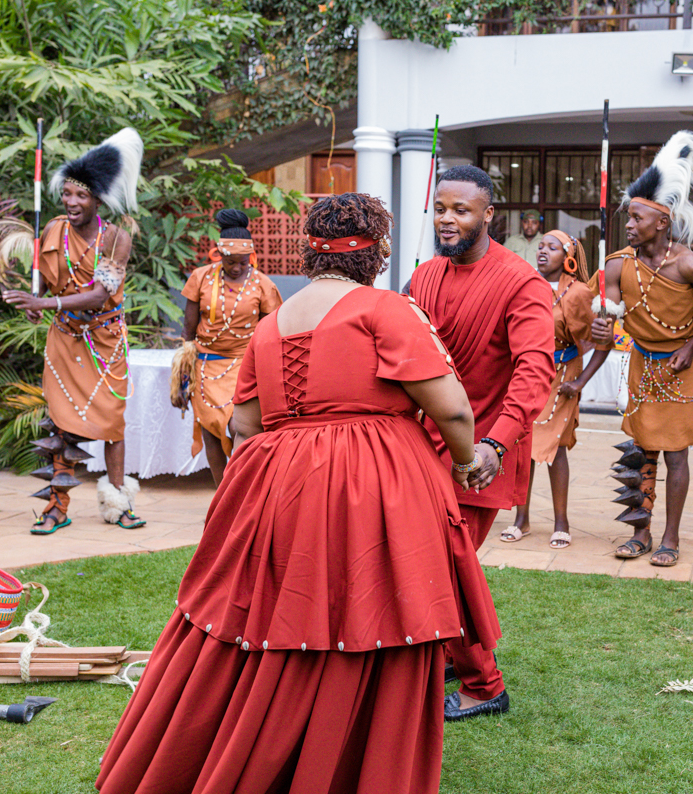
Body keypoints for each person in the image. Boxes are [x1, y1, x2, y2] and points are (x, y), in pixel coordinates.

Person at [95, 192, 499, 794]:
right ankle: (355, 762)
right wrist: (466, 464)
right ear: (376, 253)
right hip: (375, 484)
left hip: (278, 486)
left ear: (311, 252)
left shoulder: (270, 324)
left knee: (272, 615)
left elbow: (246, 425)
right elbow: (454, 410)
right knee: (376, 611)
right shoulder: (385, 309)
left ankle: (261, 751)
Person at [410, 165, 554, 721]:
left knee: (449, 565)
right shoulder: (423, 277)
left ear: (488, 214)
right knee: (430, 558)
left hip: (480, 455)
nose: (448, 219)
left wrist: (493, 445)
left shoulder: (521, 281)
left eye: (461, 210)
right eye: (442, 209)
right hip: (423, 446)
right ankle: (448, 652)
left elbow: (534, 371)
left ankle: (483, 685)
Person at [590, 131, 693, 567]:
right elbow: (606, 319)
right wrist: (599, 329)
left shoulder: (692, 264)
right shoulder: (616, 263)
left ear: (662, 222)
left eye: (636, 218)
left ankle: (671, 538)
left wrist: (690, 348)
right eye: (628, 218)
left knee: (676, 453)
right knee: (640, 447)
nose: (628, 225)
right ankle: (641, 532)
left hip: (681, 367)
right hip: (641, 362)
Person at [2, 128, 145, 534]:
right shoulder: (51, 231)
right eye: (67, 194)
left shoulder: (116, 238)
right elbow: (45, 283)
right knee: (60, 423)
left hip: (105, 343)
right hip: (64, 340)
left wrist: (42, 304)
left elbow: (101, 295)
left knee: (112, 425)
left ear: (97, 199)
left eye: (80, 196)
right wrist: (36, 302)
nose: (71, 202)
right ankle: (56, 507)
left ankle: (119, 503)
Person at [505, 229, 610, 548]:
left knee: (555, 448)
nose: (542, 251)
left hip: (562, 376)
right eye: (541, 246)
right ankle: (521, 520)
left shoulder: (578, 293)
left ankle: (561, 523)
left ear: (567, 257)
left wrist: (578, 383)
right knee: (523, 444)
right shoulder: (525, 286)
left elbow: (602, 342)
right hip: (527, 374)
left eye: (552, 247)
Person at [178, 208, 282, 485]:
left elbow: (273, 331)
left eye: (242, 262)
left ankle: (242, 492)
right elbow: (188, 331)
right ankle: (220, 498)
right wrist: (182, 374)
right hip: (206, 365)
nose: (236, 268)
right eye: (230, 262)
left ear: (251, 257)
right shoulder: (201, 277)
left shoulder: (263, 284)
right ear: (219, 255)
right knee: (210, 429)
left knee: (241, 426)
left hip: (245, 365)